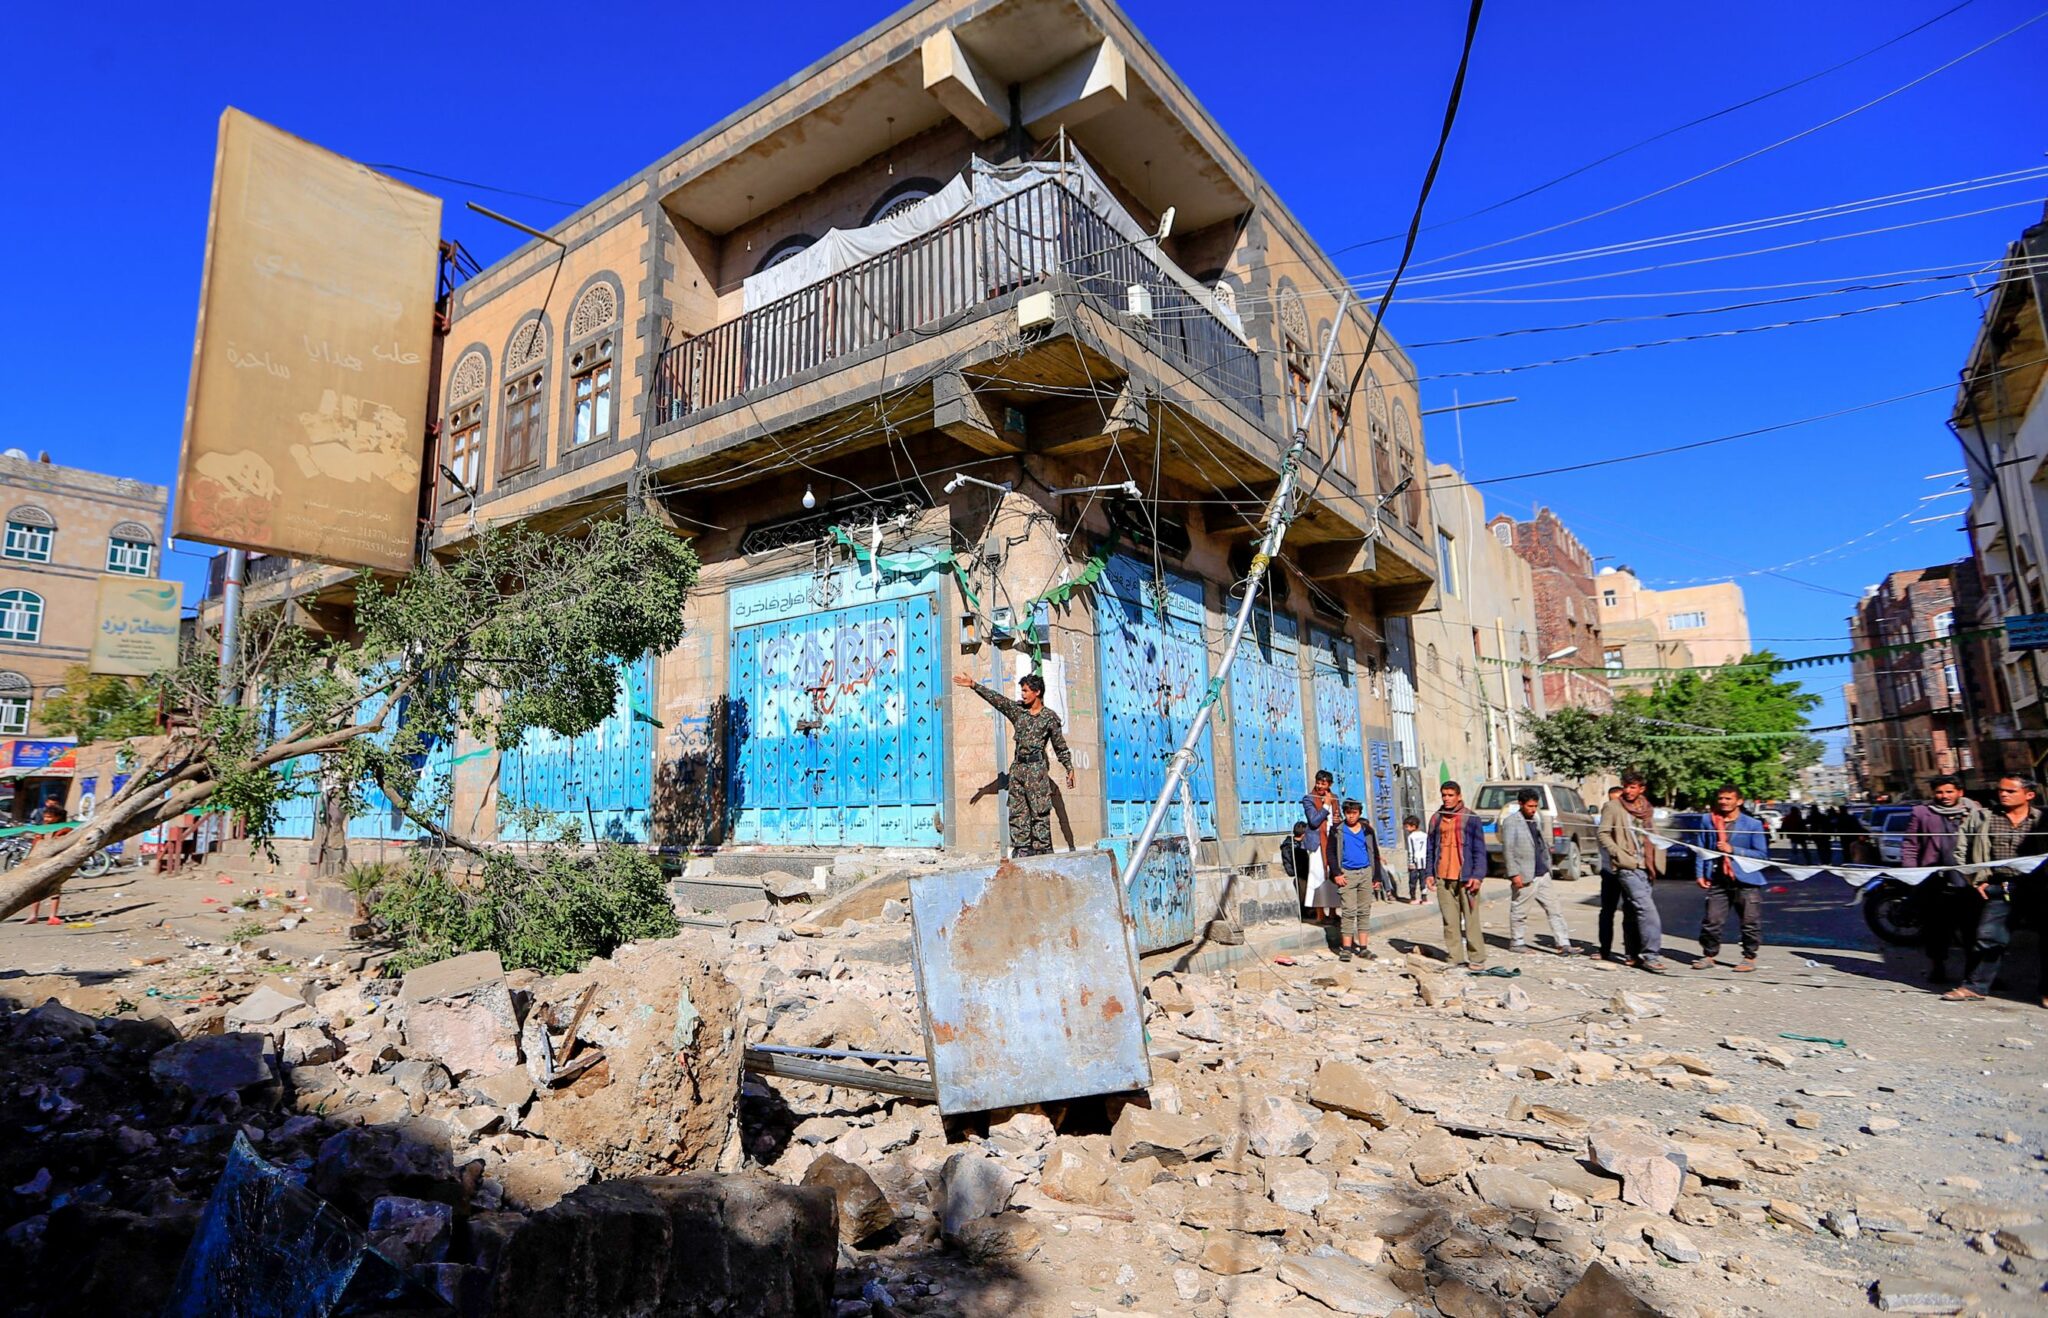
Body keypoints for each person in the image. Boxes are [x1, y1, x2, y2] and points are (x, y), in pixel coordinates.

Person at [1943, 775, 2048, 1005]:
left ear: (2029, 795)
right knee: (1988, 938)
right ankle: (1975, 987)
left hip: (2039, 887)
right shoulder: (1982, 818)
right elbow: (1961, 851)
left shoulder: (2043, 819)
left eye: (2010, 791)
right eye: (2001, 790)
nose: (2003, 794)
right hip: (2000, 886)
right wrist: (1977, 880)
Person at [953, 671, 1075, 857]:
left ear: (1037, 692)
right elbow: (998, 701)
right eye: (1022, 691)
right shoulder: (1019, 712)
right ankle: (1022, 849)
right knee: (1018, 811)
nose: (1022, 694)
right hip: (1018, 769)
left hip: (1037, 771)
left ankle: (1043, 850)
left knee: (1040, 811)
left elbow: (1060, 746)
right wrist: (974, 685)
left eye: (1026, 691)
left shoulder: (1049, 717)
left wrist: (1069, 768)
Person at [1907, 776, 1985, 987]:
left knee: (1975, 929)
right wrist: (1912, 874)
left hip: (1970, 881)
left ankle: (1978, 974)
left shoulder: (1976, 811)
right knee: (1937, 928)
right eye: (1940, 792)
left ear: (1960, 792)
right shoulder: (1922, 813)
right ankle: (1938, 967)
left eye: (1949, 791)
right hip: (1936, 881)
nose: (1944, 796)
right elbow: (1911, 844)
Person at [1691, 784, 1771, 971]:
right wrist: (1700, 873)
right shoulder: (1708, 821)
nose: (1724, 802)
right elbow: (1701, 849)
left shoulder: (1753, 824)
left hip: (1746, 880)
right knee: (1712, 920)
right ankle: (1709, 955)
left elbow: (1762, 855)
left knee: (1750, 921)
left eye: (1728, 798)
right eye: (1721, 798)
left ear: (1739, 801)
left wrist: (1733, 850)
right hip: (1718, 878)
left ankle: (1749, 958)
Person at [1598, 771, 1670, 973]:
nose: (1629, 791)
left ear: (1641, 789)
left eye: (1633, 787)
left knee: (1632, 910)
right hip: (1627, 866)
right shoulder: (1613, 807)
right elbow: (1603, 833)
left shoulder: (1646, 808)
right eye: (1626, 787)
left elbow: (1651, 833)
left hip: (1646, 866)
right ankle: (1652, 955)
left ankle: (1632, 953)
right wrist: (1618, 853)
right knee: (1647, 910)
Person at [1501, 787, 1579, 955]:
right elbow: (1508, 850)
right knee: (1520, 910)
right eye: (1530, 806)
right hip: (1524, 874)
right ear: (1521, 804)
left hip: (1542, 873)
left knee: (1554, 909)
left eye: (1535, 806)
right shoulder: (1511, 822)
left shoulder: (1535, 819)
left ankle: (1563, 943)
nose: (1533, 809)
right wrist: (1514, 874)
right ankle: (1517, 942)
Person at [1425, 781, 1489, 967]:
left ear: (1459, 796)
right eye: (1444, 795)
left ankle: (1476, 958)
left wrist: (1478, 876)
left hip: (1466, 877)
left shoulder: (1471, 818)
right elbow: (1430, 848)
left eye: (1450, 795)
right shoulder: (1436, 819)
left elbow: (1479, 850)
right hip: (1443, 877)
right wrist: (1429, 873)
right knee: (1450, 921)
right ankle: (1455, 957)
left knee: (1471, 921)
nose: (1447, 798)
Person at [1332, 798, 1384, 962]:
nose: (1351, 816)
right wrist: (1336, 873)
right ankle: (1346, 948)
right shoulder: (1337, 830)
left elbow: (1374, 853)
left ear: (1359, 813)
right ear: (1344, 813)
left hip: (1366, 873)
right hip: (1347, 874)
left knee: (1364, 911)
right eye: (1348, 813)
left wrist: (1376, 876)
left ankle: (1363, 948)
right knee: (1348, 911)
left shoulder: (1367, 830)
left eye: (1354, 813)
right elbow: (1331, 854)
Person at [1595, 784, 1639, 963]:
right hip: (1610, 871)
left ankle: (1632, 953)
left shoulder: (1630, 821)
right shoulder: (1604, 821)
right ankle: (1604, 949)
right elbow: (1603, 842)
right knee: (1607, 911)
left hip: (1628, 870)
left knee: (1631, 911)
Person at [22, 801, 75, 926]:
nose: (46, 819)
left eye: (50, 817)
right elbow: (35, 844)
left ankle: (52, 916)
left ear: (58, 817)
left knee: (54, 888)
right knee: (35, 888)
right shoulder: (42, 829)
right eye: (45, 816)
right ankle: (33, 916)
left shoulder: (65, 830)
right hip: (39, 860)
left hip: (56, 861)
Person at [1300, 770, 1342, 923]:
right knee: (1317, 876)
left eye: (1323, 784)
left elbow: (1338, 819)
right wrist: (1325, 805)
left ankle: (1332, 911)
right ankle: (1319, 914)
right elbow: (1314, 821)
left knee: (1333, 874)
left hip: (1332, 841)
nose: (1319, 786)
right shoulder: (1309, 799)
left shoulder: (1334, 798)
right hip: (1318, 843)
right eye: (1318, 782)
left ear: (1329, 785)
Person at [1402, 814, 1428, 904]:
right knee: (1423, 880)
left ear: (1413, 826)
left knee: (1413, 880)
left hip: (1415, 861)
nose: (1406, 829)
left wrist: (1410, 862)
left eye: (1407, 827)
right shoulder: (1425, 835)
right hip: (1424, 861)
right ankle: (1424, 898)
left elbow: (1411, 850)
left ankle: (1413, 898)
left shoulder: (1411, 837)